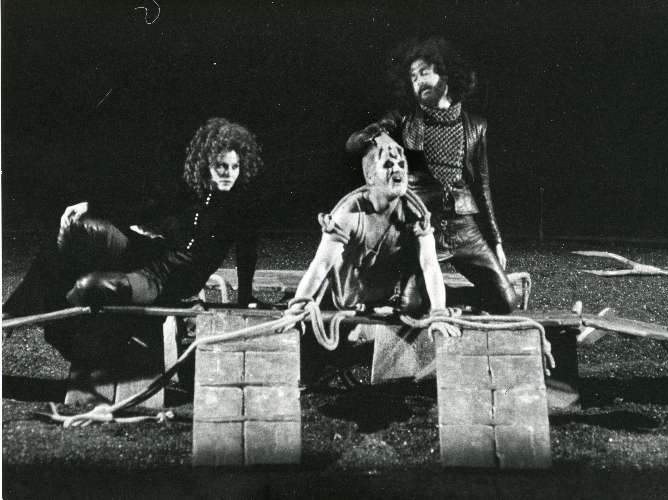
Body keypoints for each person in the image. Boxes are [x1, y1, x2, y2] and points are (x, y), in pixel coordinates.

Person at [3, 118, 264, 364]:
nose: (229, 174)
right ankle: (10, 312)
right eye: (221, 166)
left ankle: (58, 324)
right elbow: (142, 208)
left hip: (163, 281)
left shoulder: (241, 210)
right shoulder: (191, 191)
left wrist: (245, 298)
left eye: (235, 167)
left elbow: (247, 253)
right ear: (207, 165)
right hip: (148, 252)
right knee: (76, 227)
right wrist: (91, 206)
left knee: (90, 286)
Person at [346, 37, 518, 313]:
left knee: (506, 301)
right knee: (411, 306)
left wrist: (495, 240)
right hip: (421, 225)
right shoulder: (403, 118)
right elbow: (353, 143)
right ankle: (423, 295)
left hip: (464, 227)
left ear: (445, 74)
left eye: (423, 73)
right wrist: (378, 134)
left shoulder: (477, 126)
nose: (418, 82)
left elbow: (483, 189)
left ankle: (445, 295)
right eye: (413, 77)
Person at [288, 132, 457, 339]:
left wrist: (439, 313)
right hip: (346, 299)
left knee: (418, 295)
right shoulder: (348, 214)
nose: (398, 169)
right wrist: (297, 308)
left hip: (389, 300)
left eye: (401, 164)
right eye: (388, 165)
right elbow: (321, 264)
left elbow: (430, 264)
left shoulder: (415, 213)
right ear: (370, 176)